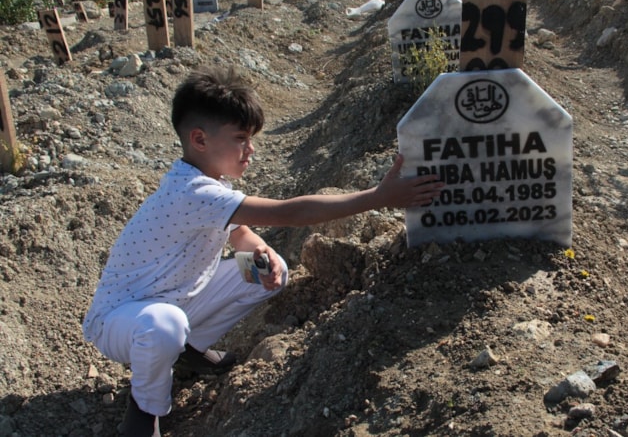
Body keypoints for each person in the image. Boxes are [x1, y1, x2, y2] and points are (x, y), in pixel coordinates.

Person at [81, 66, 443, 436]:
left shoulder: (209, 183)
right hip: (122, 321)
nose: (250, 149)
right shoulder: (191, 192)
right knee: (164, 326)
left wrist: (260, 250)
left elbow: (240, 234)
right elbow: (291, 213)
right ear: (199, 139)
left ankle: (188, 350)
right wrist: (377, 197)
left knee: (269, 270)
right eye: (241, 138)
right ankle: (144, 411)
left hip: (174, 299)